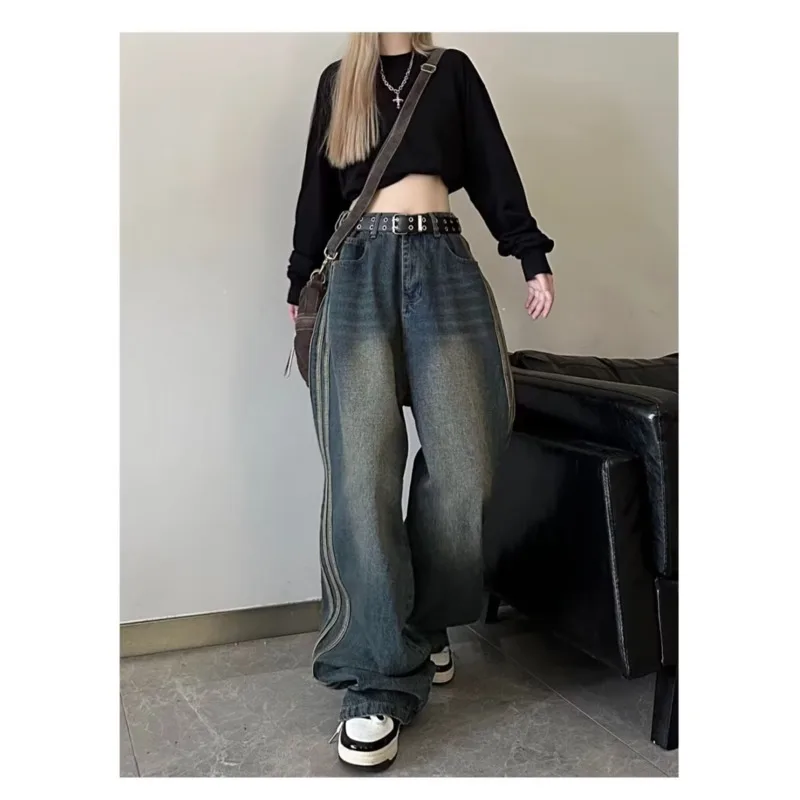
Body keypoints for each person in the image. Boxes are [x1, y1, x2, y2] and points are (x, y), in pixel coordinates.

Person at [286, 32, 555, 770]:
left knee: (467, 465)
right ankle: (374, 678)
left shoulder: (452, 72)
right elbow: (317, 191)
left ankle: (424, 623)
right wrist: (300, 281)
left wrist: (528, 250)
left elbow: (492, 161)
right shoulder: (338, 81)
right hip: (355, 272)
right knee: (361, 478)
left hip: (442, 261)